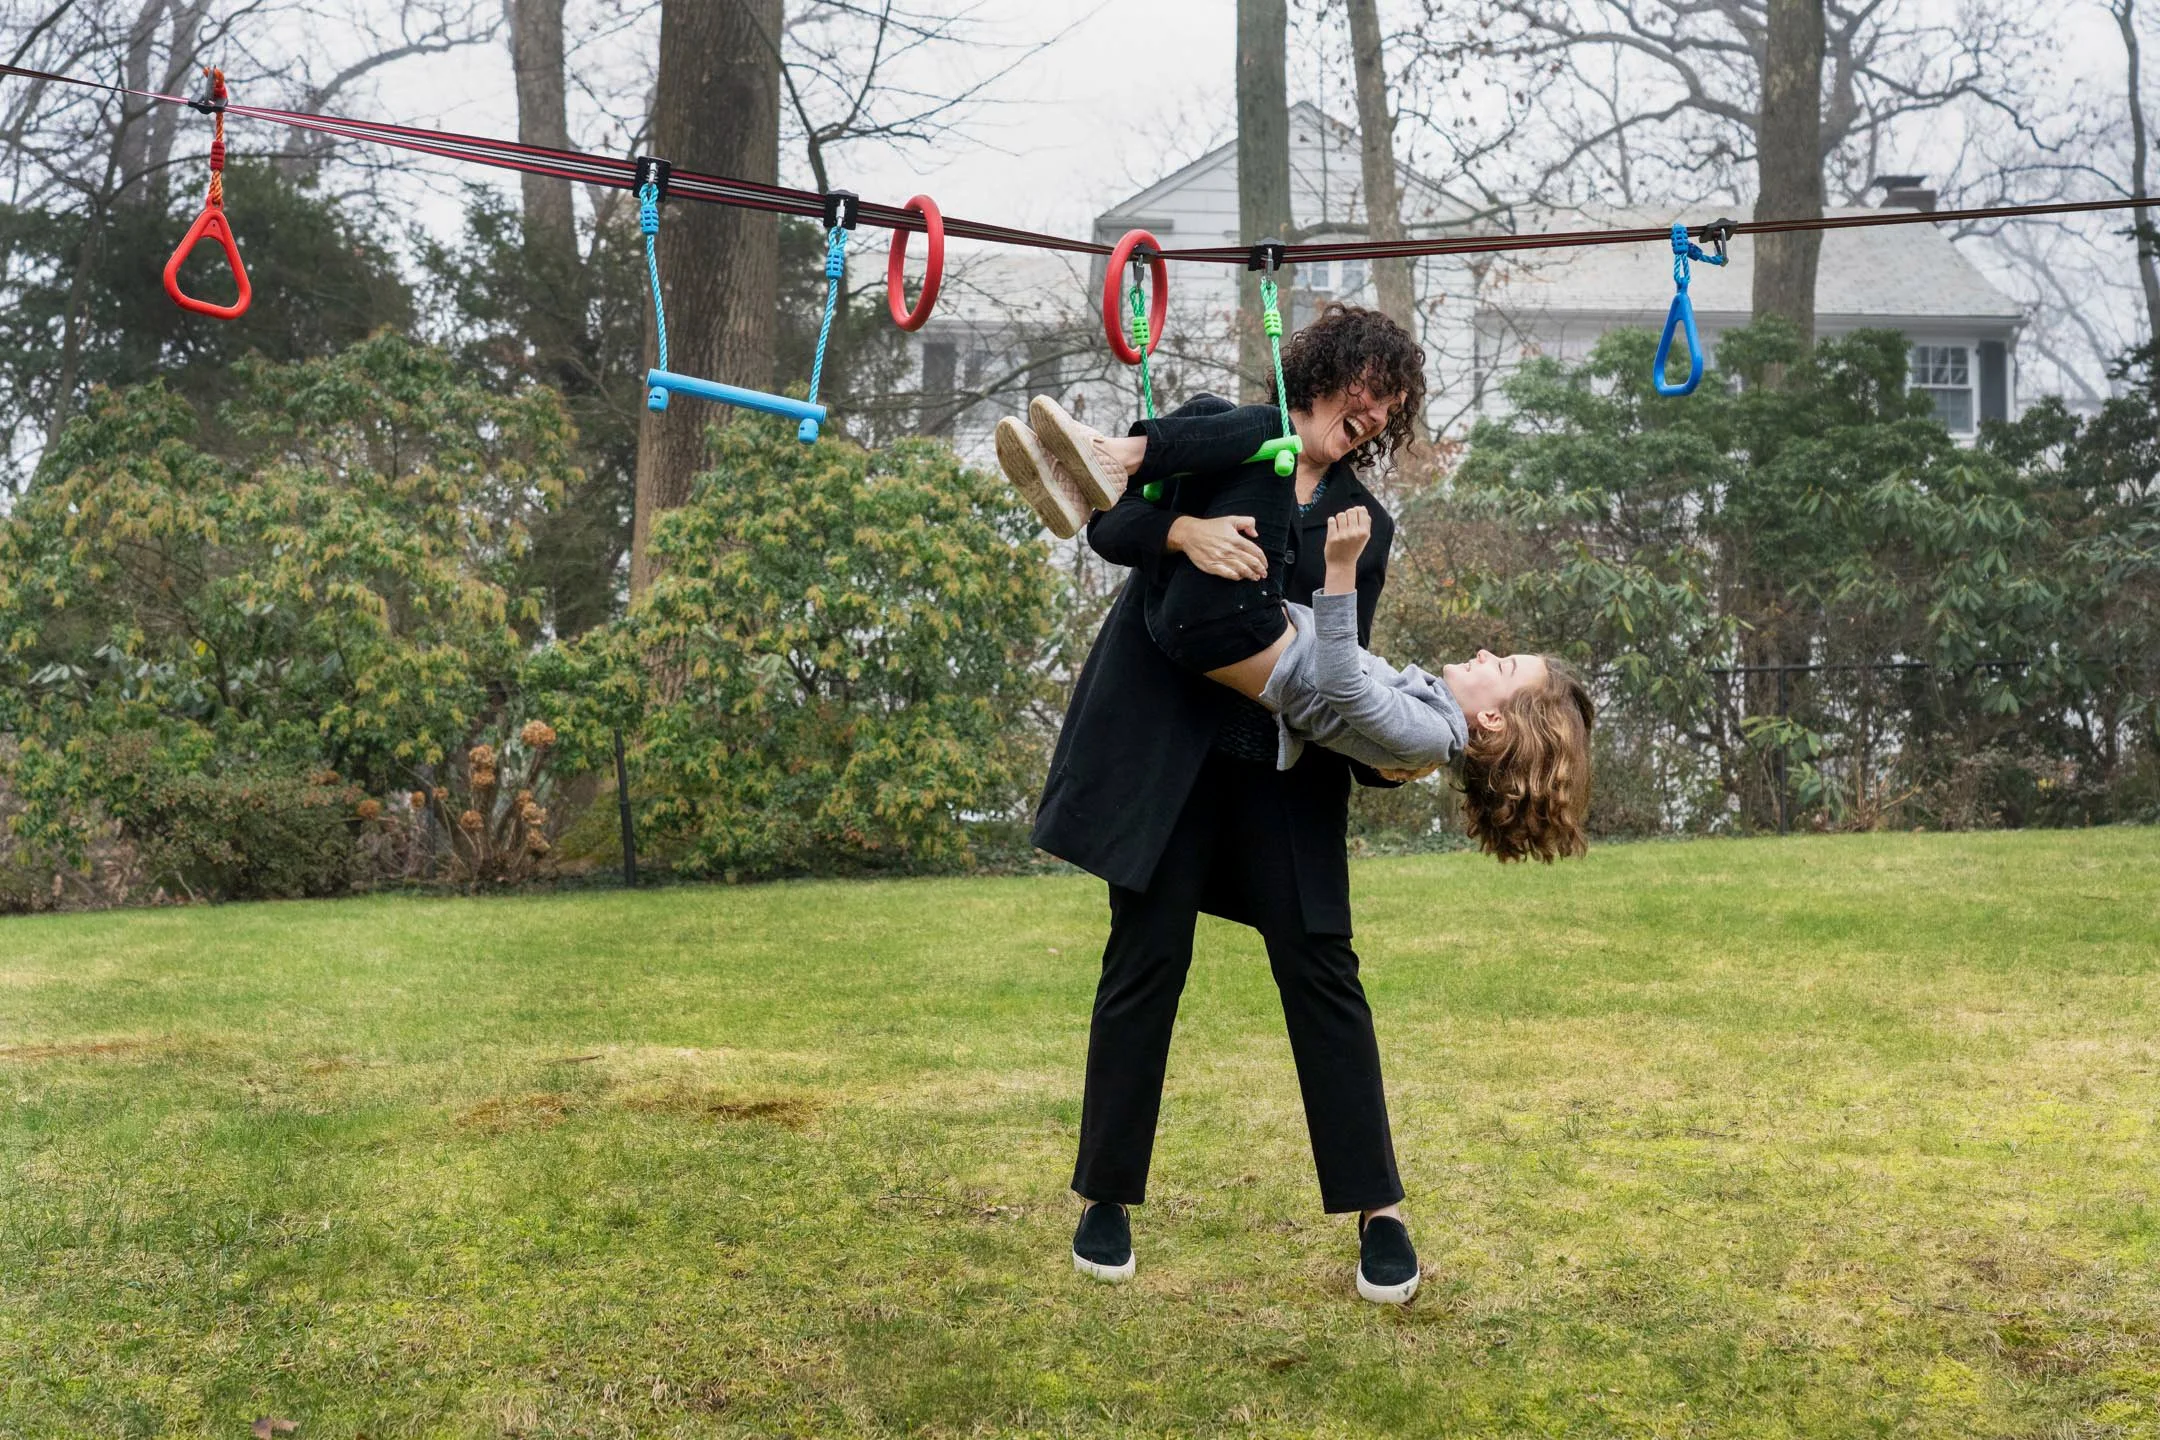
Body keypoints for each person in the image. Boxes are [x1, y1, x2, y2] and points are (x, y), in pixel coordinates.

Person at [1030, 304, 1437, 1304]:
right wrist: (1184, 530)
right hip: (1170, 760)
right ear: (1325, 373)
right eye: (1364, 385)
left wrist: (1388, 753)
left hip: (1279, 777)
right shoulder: (1225, 435)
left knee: (1323, 972)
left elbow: (1336, 666)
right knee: (1146, 961)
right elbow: (1108, 524)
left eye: (1390, 400)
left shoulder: (1364, 526)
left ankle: (1378, 1213)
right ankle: (1106, 1198)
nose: (1374, 409)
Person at [1002, 377, 1597, 865]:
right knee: (1215, 413)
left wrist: (1340, 570)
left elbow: (1341, 681)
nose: (1490, 654)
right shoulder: (1431, 717)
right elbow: (1347, 701)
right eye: (1369, 390)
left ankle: (1106, 452)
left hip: (1232, 629)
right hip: (1196, 627)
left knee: (1270, 430)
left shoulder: (1432, 735)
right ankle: (1082, 474)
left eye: (1506, 666)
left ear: (1492, 717)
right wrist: (1184, 532)